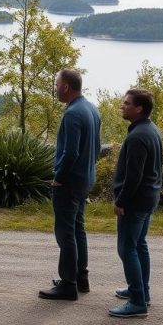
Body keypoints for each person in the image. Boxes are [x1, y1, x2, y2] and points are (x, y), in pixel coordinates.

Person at [39, 68, 101, 301]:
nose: (55, 88)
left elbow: (70, 152)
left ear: (66, 87)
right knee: (78, 229)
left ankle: (68, 284)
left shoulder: (73, 114)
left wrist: (59, 177)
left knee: (65, 234)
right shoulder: (92, 110)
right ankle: (81, 277)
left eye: (56, 84)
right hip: (85, 179)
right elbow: (95, 148)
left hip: (70, 182)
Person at [109, 89, 163, 318]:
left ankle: (138, 302)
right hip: (148, 198)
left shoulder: (138, 136)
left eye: (126, 103)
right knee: (139, 244)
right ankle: (141, 291)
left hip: (135, 202)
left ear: (139, 108)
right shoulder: (151, 130)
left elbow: (134, 177)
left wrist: (121, 201)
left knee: (127, 248)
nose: (122, 105)